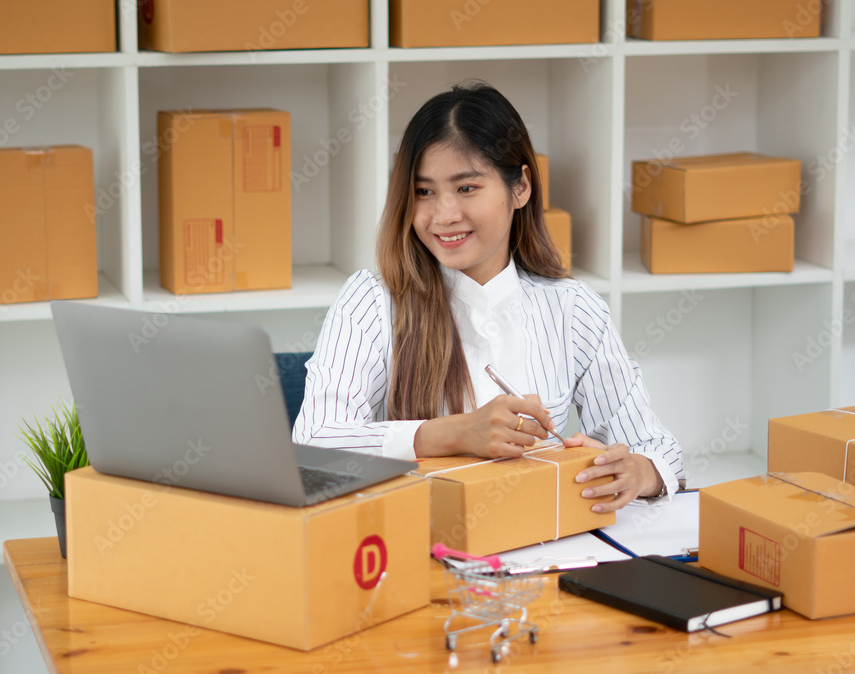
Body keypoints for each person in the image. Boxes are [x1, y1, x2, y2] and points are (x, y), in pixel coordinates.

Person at [293, 82, 683, 512]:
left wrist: (638, 472)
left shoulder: (573, 309)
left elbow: (656, 447)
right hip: (417, 541)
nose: (443, 215)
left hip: (539, 544)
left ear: (520, 188)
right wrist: (456, 433)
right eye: (424, 192)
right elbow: (314, 444)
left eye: (466, 188)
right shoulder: (372, 300)